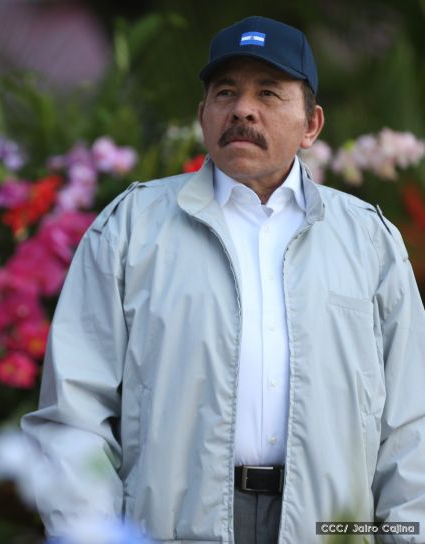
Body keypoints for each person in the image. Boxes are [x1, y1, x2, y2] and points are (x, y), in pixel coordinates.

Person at [22, 15, 425, 543]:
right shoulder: (131, 227)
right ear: (203, 114)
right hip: (171, 525)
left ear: (311, 125)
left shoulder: (369, 241)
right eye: (225, 92)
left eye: (269, 93)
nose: (242, 109)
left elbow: (411, 423)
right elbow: (74, 412)